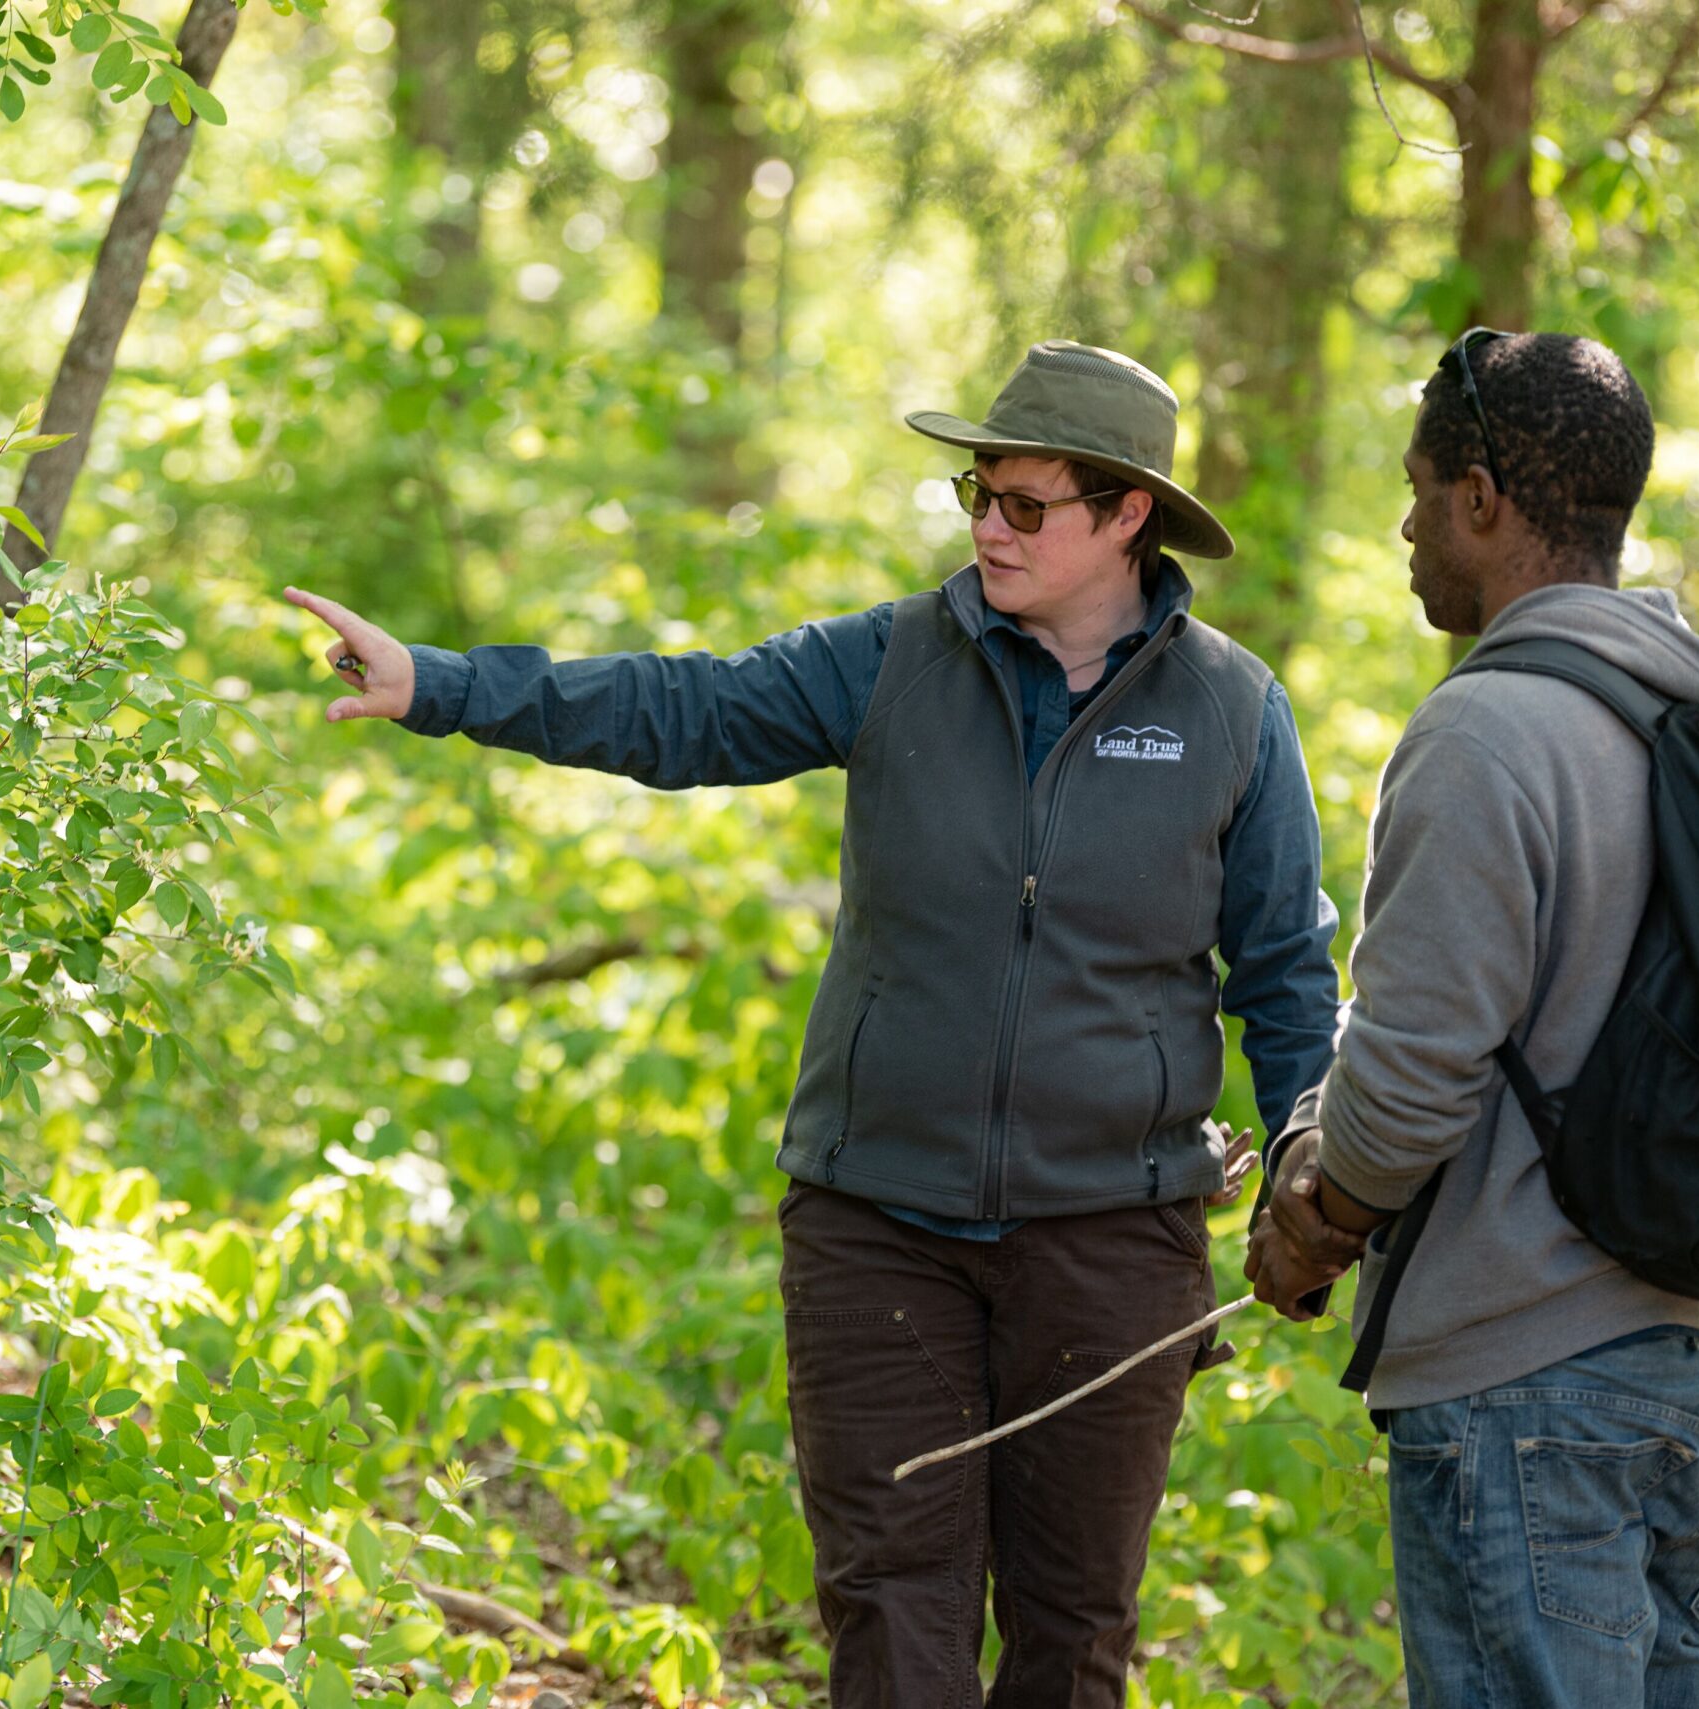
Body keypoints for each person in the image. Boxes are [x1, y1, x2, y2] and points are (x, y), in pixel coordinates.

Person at [290, 340, 1339, 1707]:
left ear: (1126, 513)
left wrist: (1318, 1174)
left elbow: (1288, 977)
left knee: (1075, 1630)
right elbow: (687, 707)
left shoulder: (1234, 711)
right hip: (874, 1222)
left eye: (1026, 505)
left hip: (1111, 1241)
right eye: (978, 492)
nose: (986, 526)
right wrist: (444, 685)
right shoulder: (895, 658)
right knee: (893, 1613)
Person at [1246, 331, 1699, 1708]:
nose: (1405, 526)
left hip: (1522, 1393)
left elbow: (1411, 1087)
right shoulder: (1681, 719)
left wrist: (1313, 1217)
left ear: (1481, 498)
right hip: (1671, 1380)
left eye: (1419, 492)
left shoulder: (1487, 734)